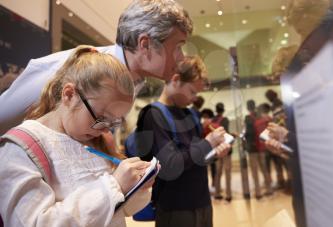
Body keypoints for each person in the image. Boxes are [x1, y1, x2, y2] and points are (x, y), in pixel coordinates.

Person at [0, 46, 155, 227]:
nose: (105, 130)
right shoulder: (20, 148)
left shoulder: (98, 141)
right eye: (101, 118)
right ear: (69, 94)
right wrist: (114, 186)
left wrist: (136, 186)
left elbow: (121, 210)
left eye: (114, 123)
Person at [0, 0, 193, 135]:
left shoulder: (134, 83)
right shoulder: (65, 70)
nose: (182, 57)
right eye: (178, 47)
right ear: (145, 44)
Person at [134, 56, 231, 227]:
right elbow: (170, 165)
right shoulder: (153, 115)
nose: (194, 98)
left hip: (202, 202)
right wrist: (208, 143)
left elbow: (196, 158)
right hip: (175, 209)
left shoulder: (191, 114)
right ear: (176, 80)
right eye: (192, 92)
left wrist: (215, 153)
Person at [213, 102, 233, 202]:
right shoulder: (225, 120)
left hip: (217, 149)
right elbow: (226, 134)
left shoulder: (213, 120)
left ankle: (217, 193)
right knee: (227, 172)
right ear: (223, 110)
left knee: (218, 172)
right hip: (226, 149)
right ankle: (228, 195)